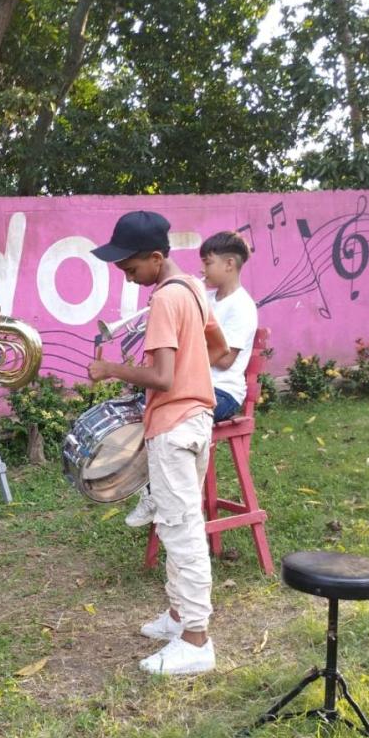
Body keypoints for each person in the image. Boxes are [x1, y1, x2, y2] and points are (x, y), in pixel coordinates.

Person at [88, 211, 227, 676]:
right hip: (198, 419)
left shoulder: (167, 299)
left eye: (131, 270)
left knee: (182, 529)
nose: (130, 279)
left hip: (172, 424)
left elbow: (162, 378)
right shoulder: (191, 288)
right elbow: (218, 349)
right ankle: (176, 617)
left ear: (155, 257)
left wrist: (111, 370)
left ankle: (195, 639)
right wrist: (191, 367)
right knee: (175, 523)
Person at [199, 231, 258, 422]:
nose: (202, 270)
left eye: (207, 263)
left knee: (174, 413)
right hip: (197, 386)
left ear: (229, 264)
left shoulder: (242, 305)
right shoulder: (205, 298)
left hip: (223, 392)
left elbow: (224, 360)